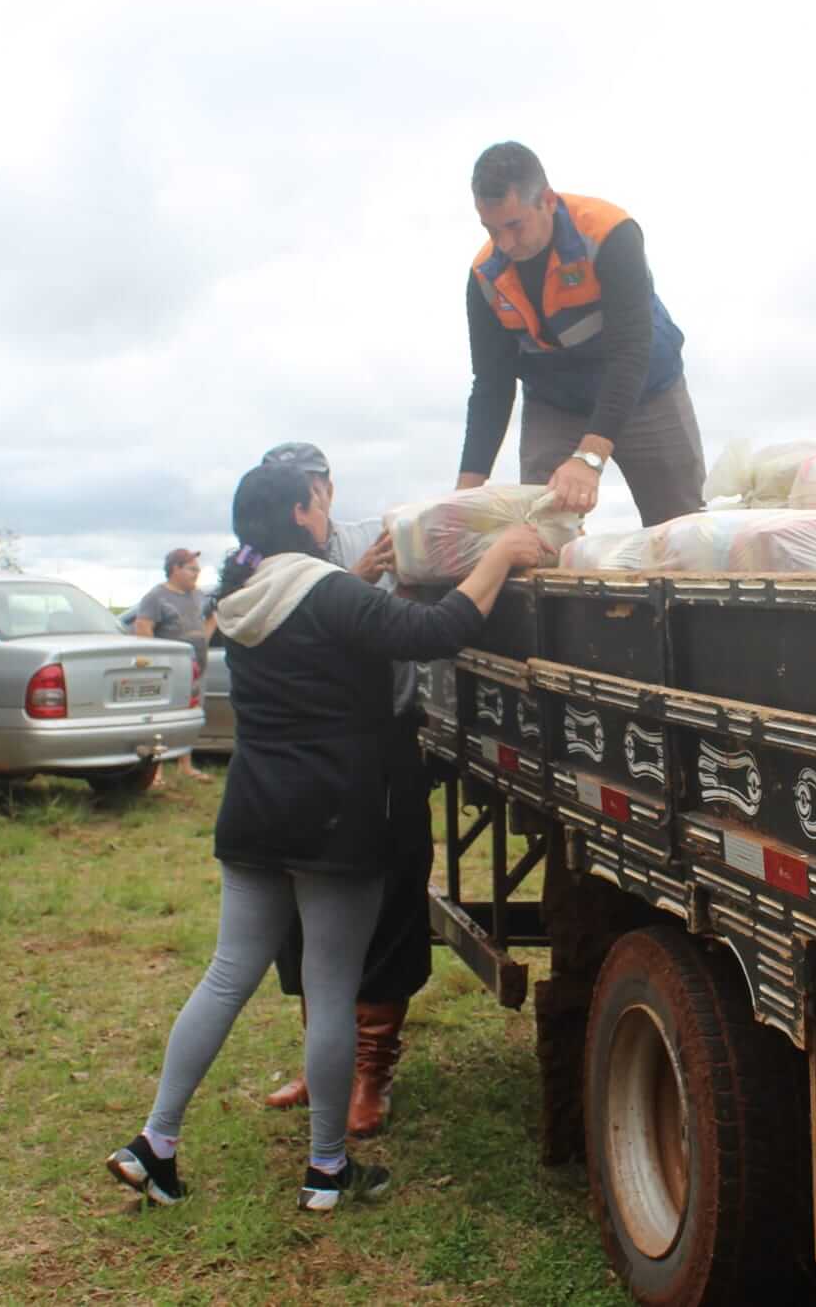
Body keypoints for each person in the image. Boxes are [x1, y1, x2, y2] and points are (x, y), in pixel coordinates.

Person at [106, 454, 545, 1212]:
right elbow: (439, 629)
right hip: (335, 821)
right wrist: (503, 551)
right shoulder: (330, 591)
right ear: (303, 514)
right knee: (334, 990)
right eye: (320, 499)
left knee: (225, 977)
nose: (328, 509)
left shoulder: (241, 597)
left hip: (253, 814)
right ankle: (326, 1168)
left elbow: (334, 631)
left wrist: (367, 581)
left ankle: (155, 1142)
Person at [257, 443, 424, 1138]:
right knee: (302, 913)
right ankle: (323, 1060)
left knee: (390, 901)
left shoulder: (380, 535)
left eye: (311, 489)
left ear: (325, 489)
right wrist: (354, 585)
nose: (307, 507)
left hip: (381, 739)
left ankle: (371, 1071)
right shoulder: (260, 559)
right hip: (302, 750)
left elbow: (418, 621)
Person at [457, 141, 705, 527]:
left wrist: (589, 458)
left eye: (514, 226)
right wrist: (462, 498)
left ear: (547, 201)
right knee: (539, 525)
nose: (504, 244)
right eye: (491, 230)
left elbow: (630, 351)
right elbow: (492, 385)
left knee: (681, 526)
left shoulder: (608, 233)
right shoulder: (485, 276)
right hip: (555, 403)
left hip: (645, 389)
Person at [133, 548, 215, 785]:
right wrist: (154, 665)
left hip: (197, 669)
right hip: (168, 672)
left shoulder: (198, 596)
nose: (196, 574)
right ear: (175, 569)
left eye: (198, 569)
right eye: (192, 569)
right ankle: (155, 772)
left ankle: (185, 766)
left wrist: (207, 634)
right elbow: (143, 627)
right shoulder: (156, 597)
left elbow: (208, 622)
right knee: (161, 720)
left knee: (190, 717)